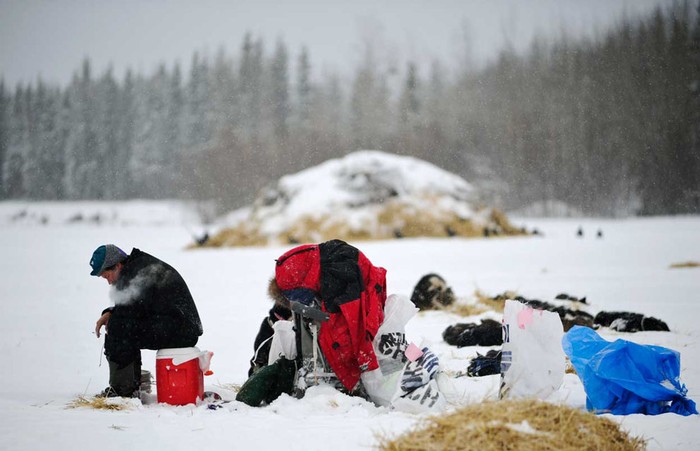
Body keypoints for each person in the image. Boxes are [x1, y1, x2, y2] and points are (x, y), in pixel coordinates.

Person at [90, 244, 203, 397]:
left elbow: (128, 314)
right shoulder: (136, 267)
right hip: (181, 325)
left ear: (117, 265)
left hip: (181, 329)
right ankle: (131, 383)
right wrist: (110, 312)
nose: (109, 282)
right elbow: (132, 308)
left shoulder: (135, 273)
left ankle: (123, 390)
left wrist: (112, 316)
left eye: (106, 276)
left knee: (118, 327)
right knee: (120, 323)